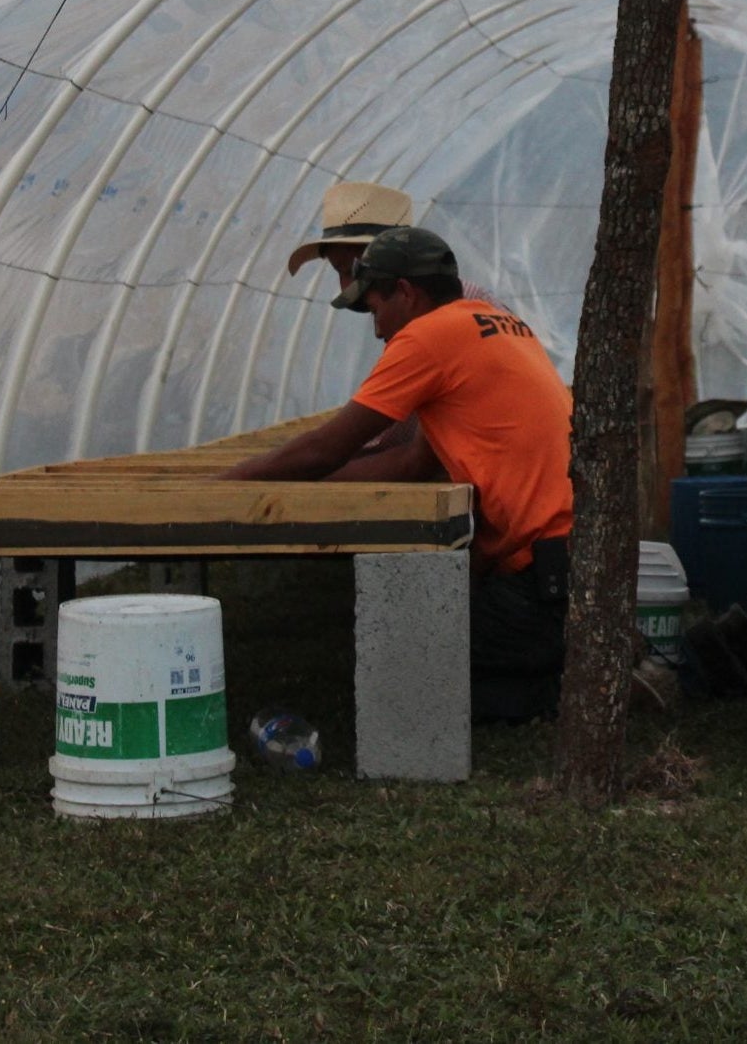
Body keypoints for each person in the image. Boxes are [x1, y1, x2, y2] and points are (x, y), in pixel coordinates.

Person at [225, 225, 573, 721]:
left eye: (376, 307)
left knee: (405, 667)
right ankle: (562, 666)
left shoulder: (427, 337)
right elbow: (411, 463)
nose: (377, 329)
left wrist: (230, 486)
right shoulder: (493, 322)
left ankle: (558, 685)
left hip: (541, 580)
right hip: (574, 561)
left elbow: (327, 447)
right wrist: (307, 488)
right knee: (433, 658)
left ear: (406, 293)